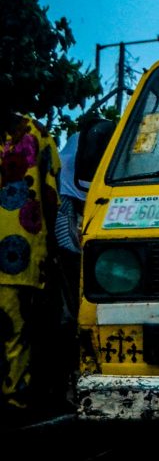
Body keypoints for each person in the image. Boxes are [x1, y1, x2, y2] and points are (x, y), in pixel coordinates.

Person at [0, 111, 63, 426]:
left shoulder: (35, 133)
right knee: (15, 332)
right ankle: (14, 399)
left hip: (18, 253)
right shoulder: (35, 132)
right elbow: (51, 194)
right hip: (19, 253)